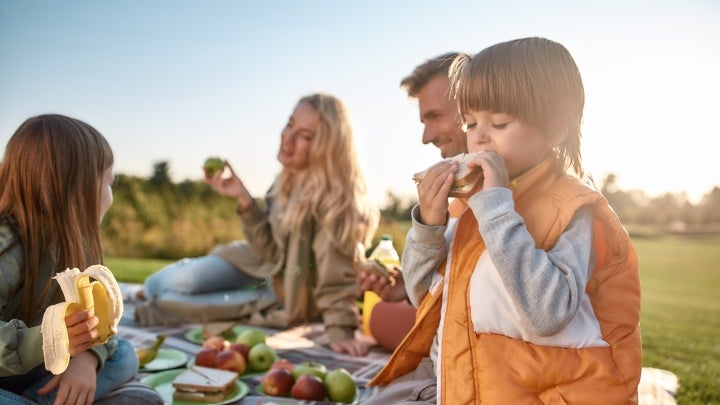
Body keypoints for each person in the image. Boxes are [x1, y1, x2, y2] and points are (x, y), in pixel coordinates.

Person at [366, 37, 641, 404]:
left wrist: (496, 209)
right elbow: (423, 298)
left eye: (498, 123)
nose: (478, 137)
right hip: (473, 384)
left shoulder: (572, 208)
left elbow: (546, 315)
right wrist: (428, 227)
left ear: (555, 128)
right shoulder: (470, 203)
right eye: (470, 122)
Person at [133, 93, 379, 357]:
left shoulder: (338, 203)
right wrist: (243, 198)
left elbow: (337, 273)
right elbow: (269, 250)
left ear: (327, 147)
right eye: (290, 124)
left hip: (281, 292)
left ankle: (155, 298)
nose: (288, 137)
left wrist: (340, 328)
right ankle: (151, 291)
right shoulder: (286, 180)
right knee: (174, 281)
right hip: (256, 263)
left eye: (305, 136)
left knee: (177, 303)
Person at [0, 114, 163, 405]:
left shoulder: (76, 246)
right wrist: (50, 339)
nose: (111, 197)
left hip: (37, 372)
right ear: (76, 188)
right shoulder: (7, 248)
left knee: (124, 353)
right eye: (109, 182)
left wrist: (87, 357)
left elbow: (101, 324)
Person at [357, 52, 468, 352]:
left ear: (474, 107)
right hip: (454, 334)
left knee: (382, 320)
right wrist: (404, 291)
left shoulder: (504, 194)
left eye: (435, 116)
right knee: (380, 314)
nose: (426, 137)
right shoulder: (457, 194)